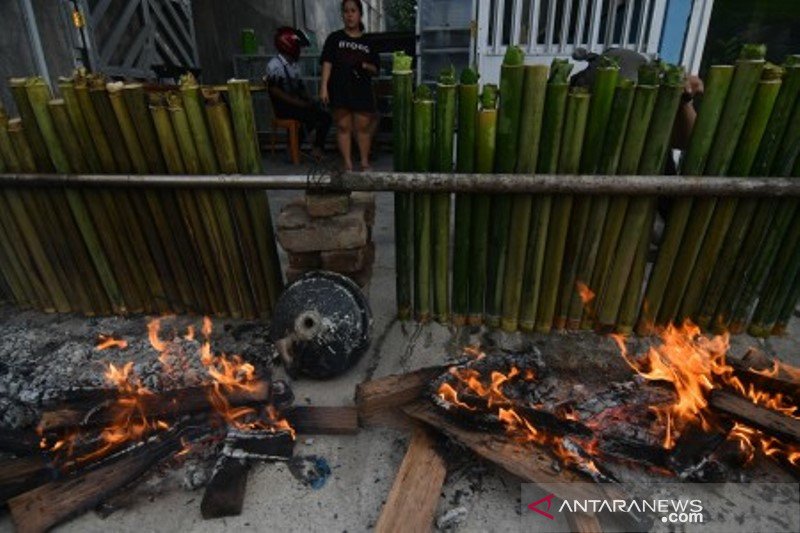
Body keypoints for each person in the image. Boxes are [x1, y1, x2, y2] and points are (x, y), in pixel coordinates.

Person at [319, 0, 380, 171]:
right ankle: (347, 163)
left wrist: (366, 66)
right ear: (343, 15)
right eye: (346, 11)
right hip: (339, 89)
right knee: (343, 127)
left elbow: (376, 69)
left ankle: (364, 162)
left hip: (361, 90)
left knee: (363, 128)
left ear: (360, 14)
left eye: (353, 11)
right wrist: (323, 87)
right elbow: (327, 63)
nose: (350, 14)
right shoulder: (334, 38)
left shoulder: (369, 42)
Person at [266, 26, 332, 160]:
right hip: (283, 108)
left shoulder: (294, 65)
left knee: (325, 116)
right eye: (298, 46)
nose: (300, 50)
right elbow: (274, 90)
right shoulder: (274, 65)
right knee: (310, 116)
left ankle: (316, 148)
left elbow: (301, 87)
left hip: (296, 105)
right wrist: (300, 103)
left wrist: (311, 100)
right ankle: (292, 147)